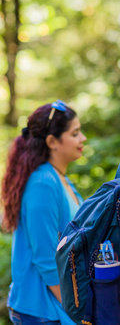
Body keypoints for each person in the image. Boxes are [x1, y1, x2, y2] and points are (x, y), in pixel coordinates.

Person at [1, 100, 86, 325]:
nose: (82, 139)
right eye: (75, 133)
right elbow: (46, 259)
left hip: (57, 303)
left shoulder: (60, 178)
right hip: (41, 309)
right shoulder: (43, 183)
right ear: (52, 142)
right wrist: (76, 312)